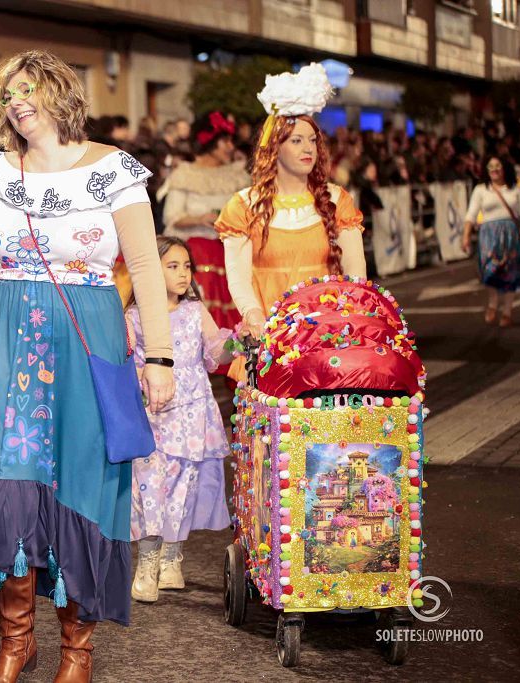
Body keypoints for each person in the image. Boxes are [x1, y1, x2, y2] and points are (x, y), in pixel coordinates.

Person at [0, 50, 173, 683]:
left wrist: (158, 356)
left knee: (82, 486)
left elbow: (146, 268)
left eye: (26, 89)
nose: (15, 102)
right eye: (5, 95)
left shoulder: (113, 171)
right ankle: (16, 641)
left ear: (58, 93)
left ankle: (77, 650)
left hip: (89, 341)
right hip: (10, 345)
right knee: (10, 485)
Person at [215, 64, 367, 373]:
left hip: (329, 334)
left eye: (312, 140)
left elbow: (355, 272)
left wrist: (350, 316)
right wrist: (254, 316)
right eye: (296, 141)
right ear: (274, 147)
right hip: (272, 336)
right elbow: (239, 278)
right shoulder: (244, 205)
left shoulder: (337, 199)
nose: (307, 148)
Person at [125, 236, 232, 603]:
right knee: (150, 487)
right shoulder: (134, 316)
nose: (183, 274)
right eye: (173, 266)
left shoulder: (195, 310)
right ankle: (146, 563)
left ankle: (172, 559)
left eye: (187, 266)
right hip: (153, 411)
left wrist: (237, 341)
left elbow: (216, 350)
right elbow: (129, 363)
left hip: (192, 413)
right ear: (150, 271)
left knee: (183, 486)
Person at [161, 111, 250, 333]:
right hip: (197, 255)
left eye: (231, 141)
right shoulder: (186, 173)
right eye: (225, 141)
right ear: (209, 141)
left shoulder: (237, 174)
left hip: (230, 252)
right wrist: (200, 219)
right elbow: (172, 217)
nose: (230, 146)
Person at [462, 156, 520, 327]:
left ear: (505, 168)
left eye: (498, 166)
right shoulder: (481, 189)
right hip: (488, 236)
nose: (494, 169)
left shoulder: (515, 189)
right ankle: (492, 302)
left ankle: (507, 312)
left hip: (510, 235)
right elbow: (471, 215)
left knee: (511, 273)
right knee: (488, 271)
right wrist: (466, 235)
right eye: (491, 167)